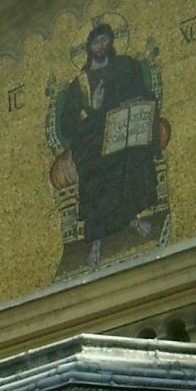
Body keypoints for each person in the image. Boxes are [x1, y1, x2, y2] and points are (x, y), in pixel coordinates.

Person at [53, 19, 163, 263]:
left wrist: (135, 101)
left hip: (122, 128)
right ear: (89, 47)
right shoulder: (79, 85)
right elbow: (67, 126)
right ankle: (98, 237)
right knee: (97, 167)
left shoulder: (125, 67)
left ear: (112, 42)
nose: (100, 45)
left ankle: (130, 218)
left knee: (131, 155)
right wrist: (92, 108)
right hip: (91, 139)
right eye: (96, 41)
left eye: (105, 40)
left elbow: (143, 93)